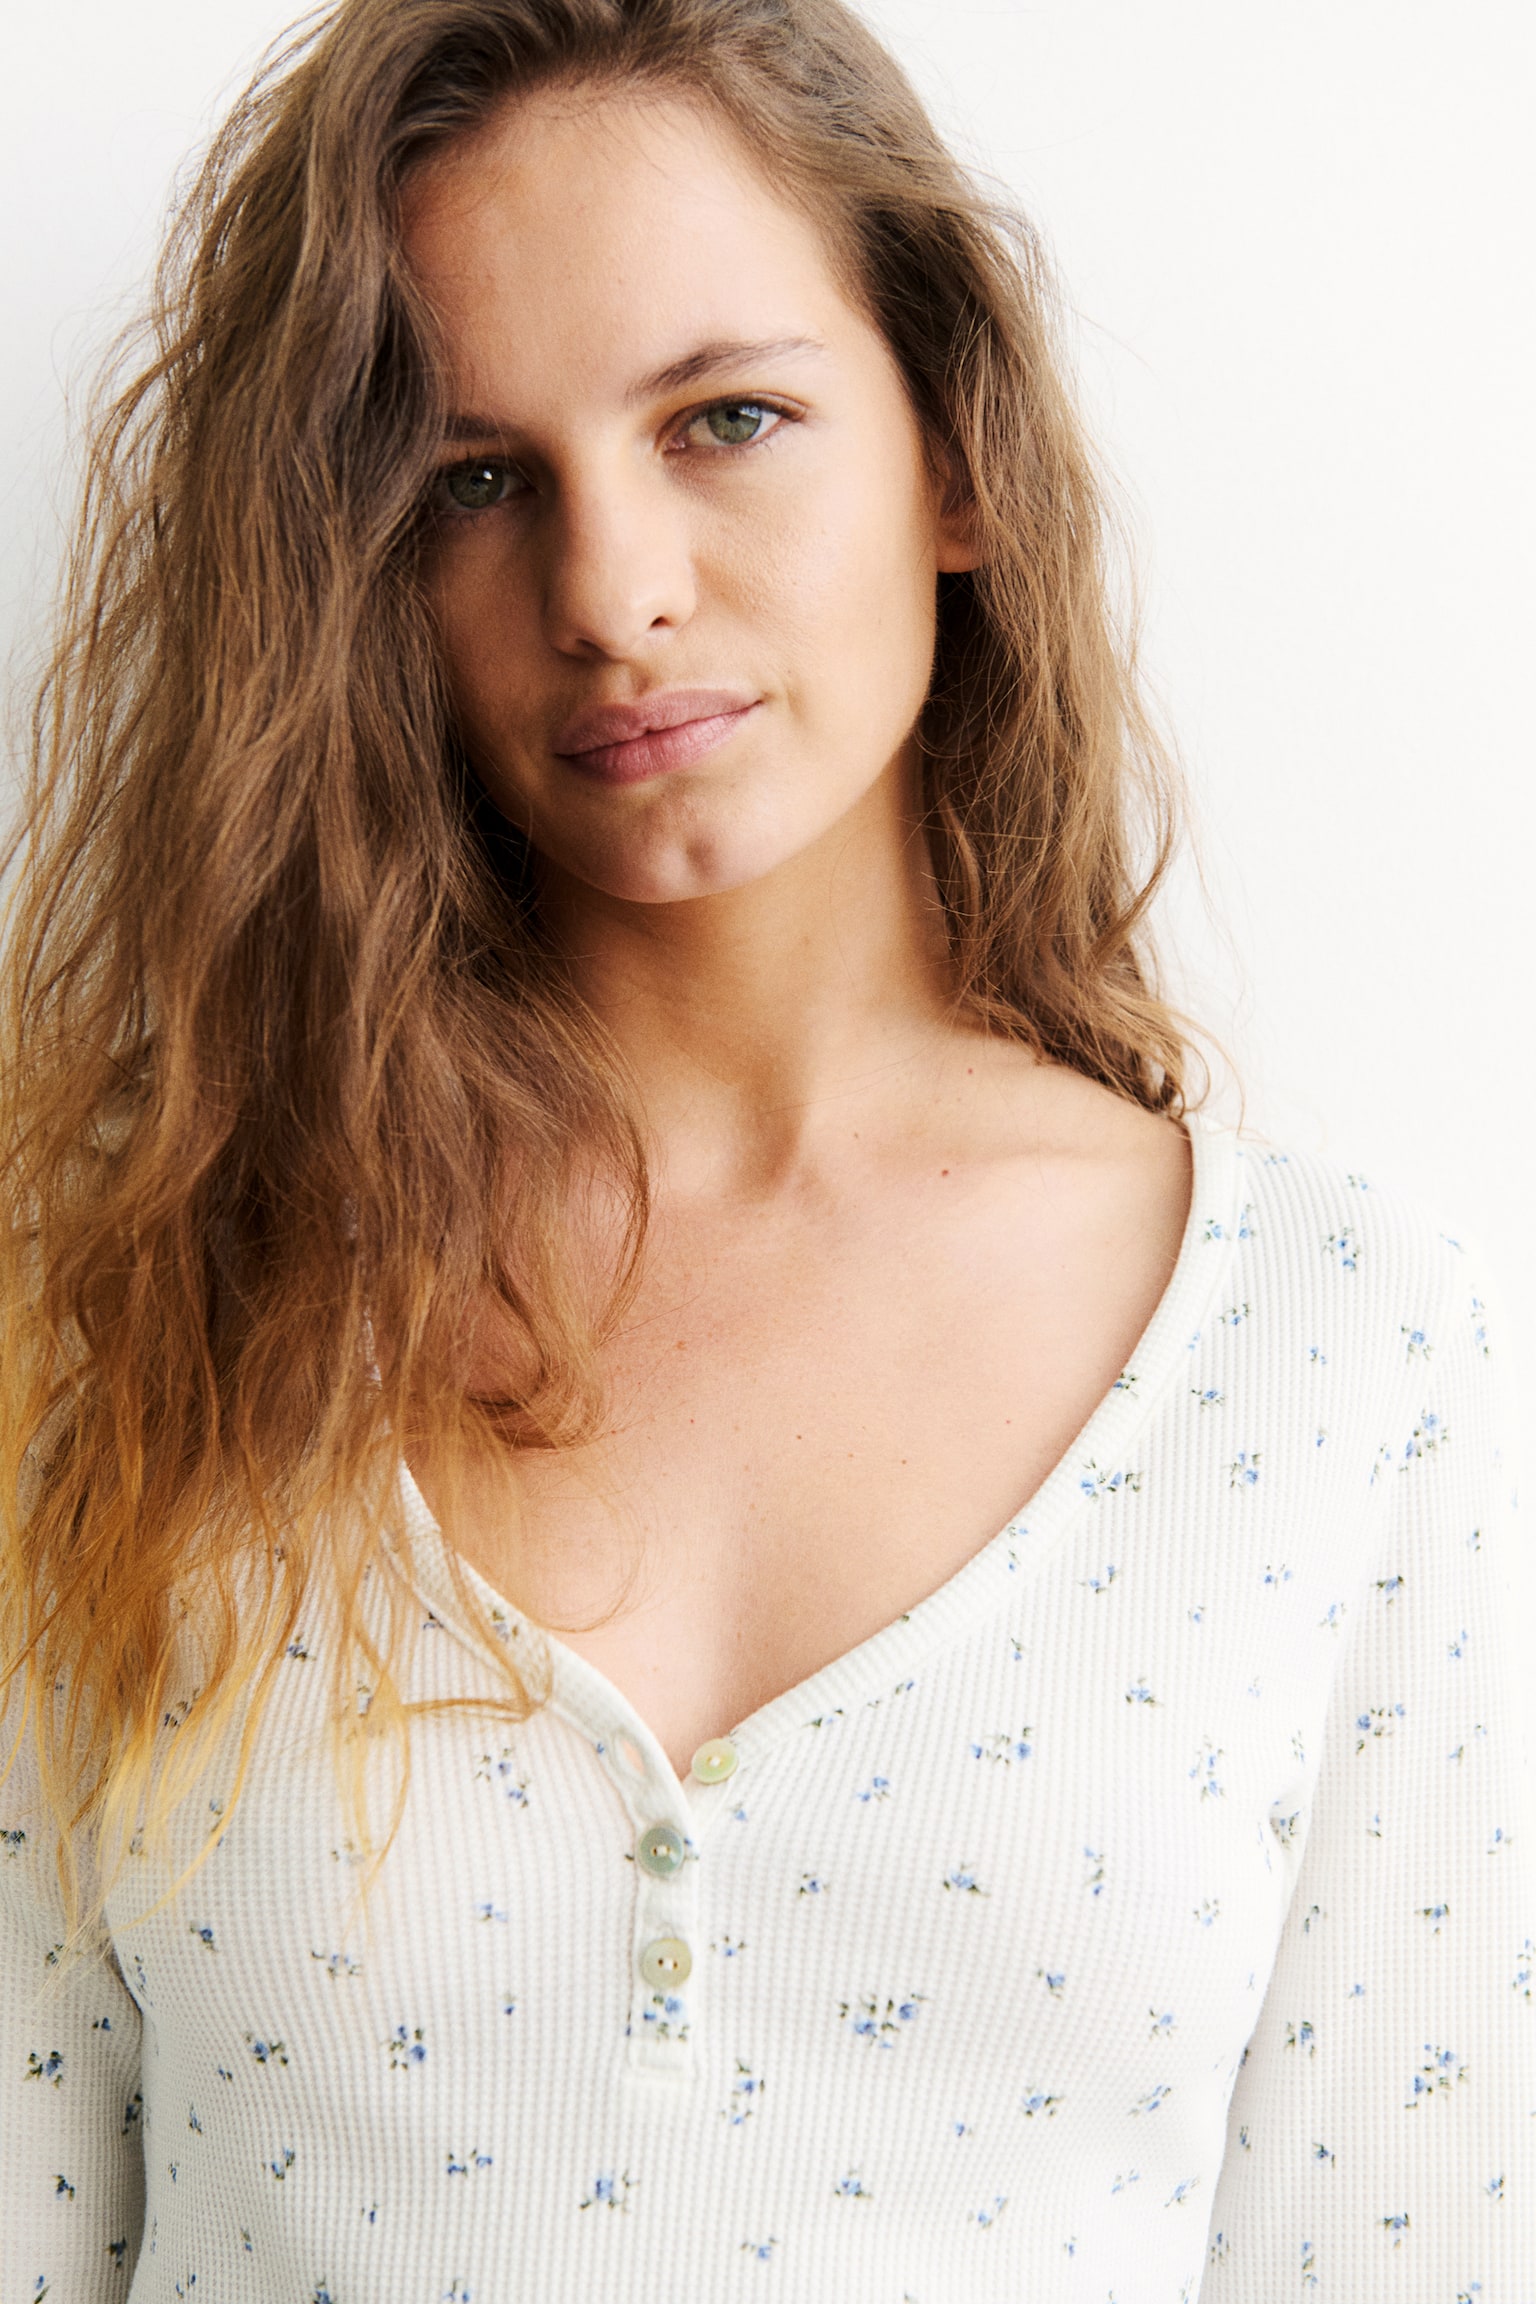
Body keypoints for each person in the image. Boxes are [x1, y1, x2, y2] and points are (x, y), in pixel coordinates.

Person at [1, 0, 1530, 2296]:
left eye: (726, 420)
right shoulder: (119, 1302)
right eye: (472, 480)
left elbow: (1408, 2244)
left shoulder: (1337, 1349)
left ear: (956, 453)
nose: (613, 594)